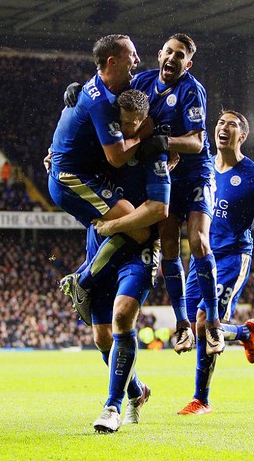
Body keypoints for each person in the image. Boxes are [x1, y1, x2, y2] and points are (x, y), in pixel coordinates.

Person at [177, 110, 254, 415]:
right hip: (202, 255)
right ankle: (244, 333)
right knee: (194, 325)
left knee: (204, 321)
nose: (223, 128)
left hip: (232, 256)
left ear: (242, 136)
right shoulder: (202, 164)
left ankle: (201, 399)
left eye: (231, 125)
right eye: (220, 123)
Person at [48, 34, 157, 325]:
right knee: (140, 229)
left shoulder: (105, 89)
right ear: (113, 61)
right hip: (71, 179)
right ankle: (81, 280)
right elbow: (117, 157)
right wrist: (144, 135)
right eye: (131, 55)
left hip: (79, 175)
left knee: (126, 227)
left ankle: (92, 276)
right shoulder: (101, 102)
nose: (136, 60)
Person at [129, 33, 223, 355]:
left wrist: (161, 142)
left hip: (196, 173)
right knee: (169, 244)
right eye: (169, 51)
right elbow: (107, 106)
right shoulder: (141, 83)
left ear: (188, 63)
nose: (172, 58)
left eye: (179, 55)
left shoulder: (191, 90)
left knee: (198, 241)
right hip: (164, 175)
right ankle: (183, 324)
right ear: (159, 54)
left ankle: (212, 324)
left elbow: (197, 142)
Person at [84, 90, 171, 432]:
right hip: (101, 247)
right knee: (103, 338)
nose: (130, 128)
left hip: (139, 249)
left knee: (123, 317)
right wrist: (54, 159)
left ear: (146, 120)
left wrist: (114, 225)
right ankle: (137, 390)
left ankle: (112, 406)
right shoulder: (101, 147)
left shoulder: (156, 154)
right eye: (124, 122)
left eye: (137, 122)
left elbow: (159, 210)